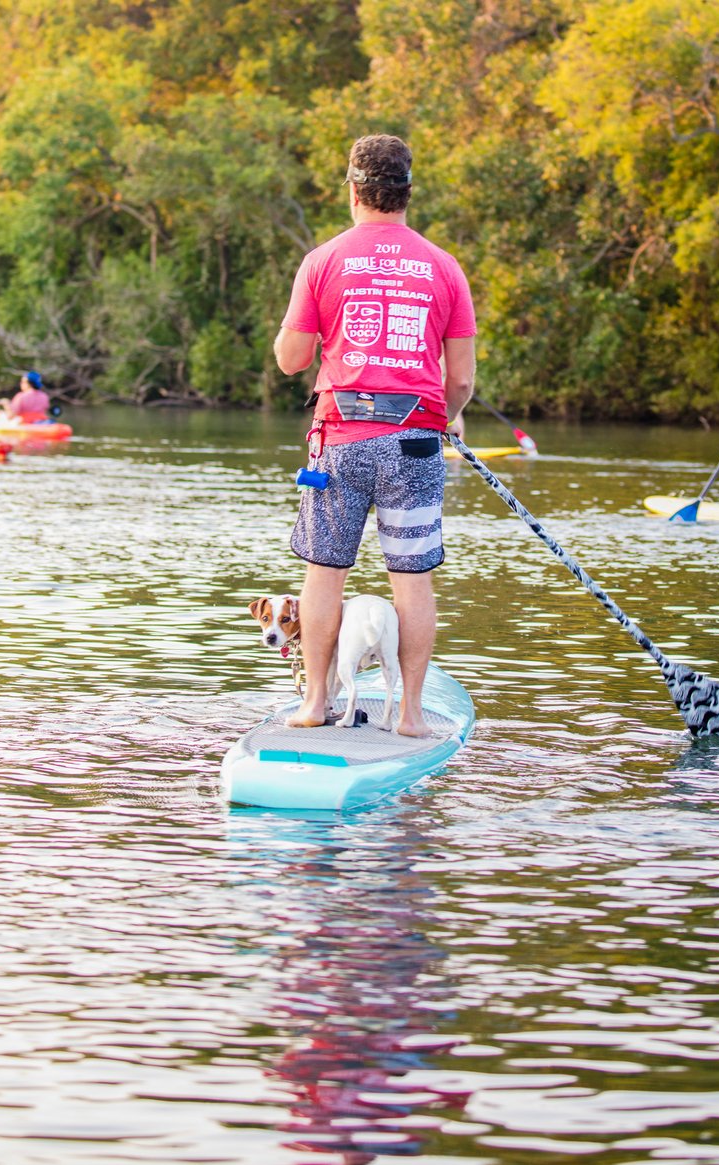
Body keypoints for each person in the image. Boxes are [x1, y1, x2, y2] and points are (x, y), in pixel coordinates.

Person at [273, 133, 476, 736]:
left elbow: (290, 359)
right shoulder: (443, 266)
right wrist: (443, 420)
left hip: (338, 440)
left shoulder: (323, 260)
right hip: (414, 442)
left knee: (324, 574)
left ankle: (314, 704)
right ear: (407, 192)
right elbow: (460, 379)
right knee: (412, 582)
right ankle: (409, 714)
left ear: (353, 190)